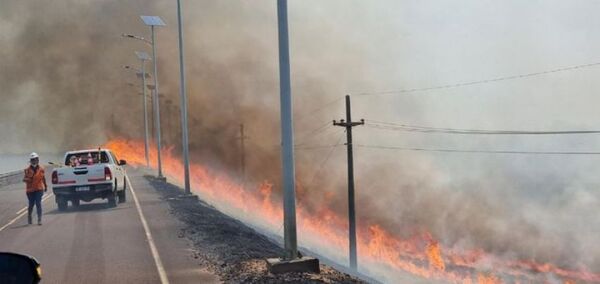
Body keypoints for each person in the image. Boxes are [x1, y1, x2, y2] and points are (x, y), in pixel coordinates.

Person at [22, 152, 47, 225]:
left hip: (39, 189)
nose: (34, 161)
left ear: (38, 159)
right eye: (33, 159)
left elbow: (43, 178)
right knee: (31, 204)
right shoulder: (27, 170)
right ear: (31, 160)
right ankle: (29, 216)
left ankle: (39, 220)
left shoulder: (41, 169)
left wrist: (45, 186)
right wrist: (29, 179)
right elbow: (24, 179)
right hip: (30, 191)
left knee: (38, 203)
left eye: (36, 159)